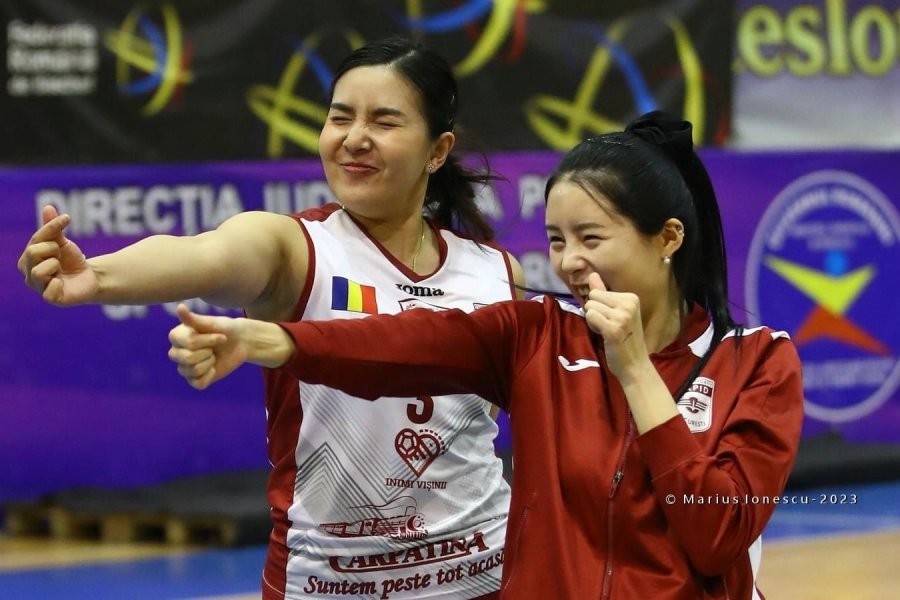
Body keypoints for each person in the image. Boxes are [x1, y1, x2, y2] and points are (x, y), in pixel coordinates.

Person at [167, 111, 805, 599]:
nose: (569, 262)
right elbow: (404, 343)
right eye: (557, 240)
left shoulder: (758, 363)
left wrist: (636, 369)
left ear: (667, 238)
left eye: (591, 238)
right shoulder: (536, 335)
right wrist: (275, 342)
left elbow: (716, 532)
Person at [18, 37, 525, 600]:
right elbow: (206, 255)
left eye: (384, 121)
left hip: (486, 580)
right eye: (340, 117)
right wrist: (97, 276)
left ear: (437, 150)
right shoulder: (294, 248)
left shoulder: (496, 274)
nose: (355, 138)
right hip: (328, 588)